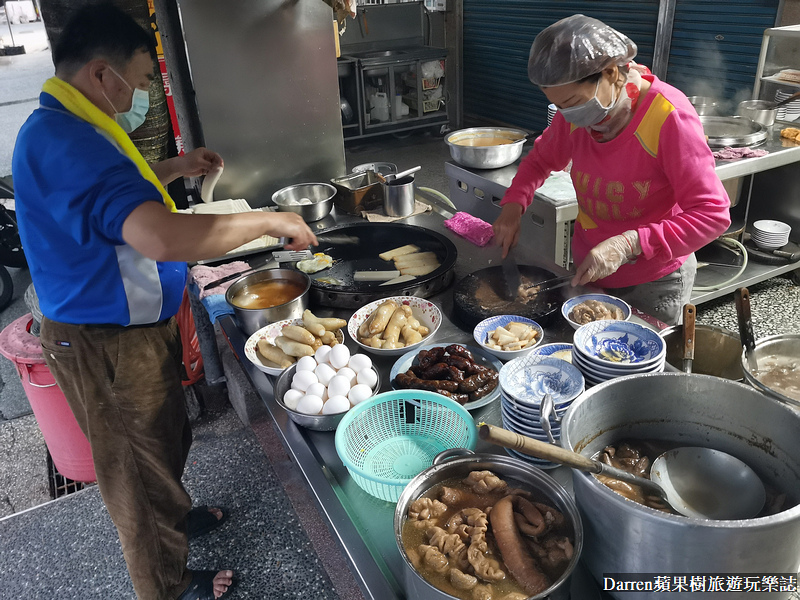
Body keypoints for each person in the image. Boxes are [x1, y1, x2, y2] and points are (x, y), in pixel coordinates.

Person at [12, 4, 317, 599]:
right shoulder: (74, 142)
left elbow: (103, 198)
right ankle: (167, 586)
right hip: (105, 343)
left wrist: (172, 167)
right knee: (137, 474)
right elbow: (164, 236)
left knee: (162, 442)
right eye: (144, 78)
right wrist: (271, 220)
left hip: (124, 331)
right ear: (104, 73)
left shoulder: (67, 125)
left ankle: (172, 524)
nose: (147, 92)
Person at [492, 14, 731, 325]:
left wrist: (627, 244)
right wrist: (513, 206)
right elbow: (541, 160)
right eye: (558, 106)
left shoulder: (669, 117)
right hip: (591, 268)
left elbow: (712, 214)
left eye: (572, 102)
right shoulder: (575, 116)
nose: (566, 116)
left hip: (654, 282)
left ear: (610, 72)